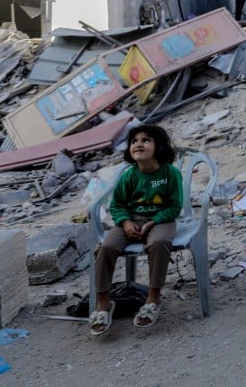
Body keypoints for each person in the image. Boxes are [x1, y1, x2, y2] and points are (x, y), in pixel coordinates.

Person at [90, 124, 183, 336]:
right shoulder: (129, 176)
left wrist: (153, 221)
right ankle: (104, 301)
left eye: (146, 140)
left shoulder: (171, 174)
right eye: (135, 141)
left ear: (158, 147)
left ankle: (153, 297)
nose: (138, 144)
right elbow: (117, 205)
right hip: (131, 220)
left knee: (159, 243)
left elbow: (174, 206)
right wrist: (125, 223)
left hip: (161, 220)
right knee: (106, 247)